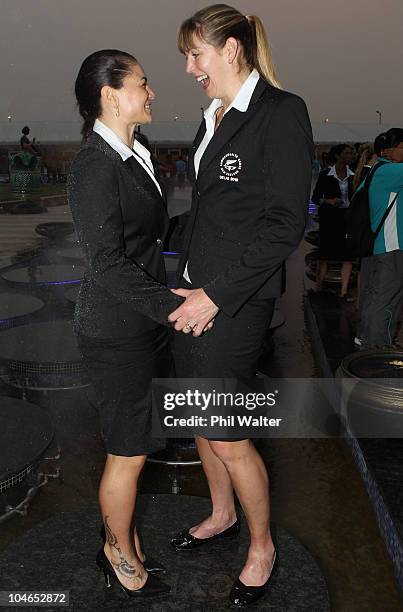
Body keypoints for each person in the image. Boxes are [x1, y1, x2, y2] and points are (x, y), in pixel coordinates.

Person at [167, 5, 313, 607]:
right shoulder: (211, 118)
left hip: (236, 300)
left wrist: (216, 296)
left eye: (195, 53)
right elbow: (209, 214)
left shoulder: (281, 112)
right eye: (185, 57)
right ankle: (222, 512)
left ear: (232, 49)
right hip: (195, 289)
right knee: (197, 417)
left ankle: (262, 546)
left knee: (225, 432)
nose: (189, 67)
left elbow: (283, 225)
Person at [67, 49, 187, 598]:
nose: (151, 92)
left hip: (139, 319)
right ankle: (118, 554)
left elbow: (146, 238)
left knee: (136, 443)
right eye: (142, 83)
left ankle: (123, 537)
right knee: (128, 450)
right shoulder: (94, 164)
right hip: (115, 328)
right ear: (109, 94)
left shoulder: (133, 153)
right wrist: (169, 305)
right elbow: (107, 261)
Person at [356, 128, 403, 349]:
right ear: (390, 149)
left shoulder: (376, 170)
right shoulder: (392, 171)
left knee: (374, 297)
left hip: (377, 247)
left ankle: (365, 339)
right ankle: (378, 350)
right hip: (391, 246)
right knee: (387, 301)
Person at [311, 144, 355, 299]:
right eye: (347, 153)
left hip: (347, 218)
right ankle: (318, 288)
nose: (350, 156)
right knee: (324, 254)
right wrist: (329, 201)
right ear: (338, 156)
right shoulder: (325, 175)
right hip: (330, 219)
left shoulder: (354, 175)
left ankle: (343, 291)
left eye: (351, 153)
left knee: (347, 255)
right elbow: (315, 198)